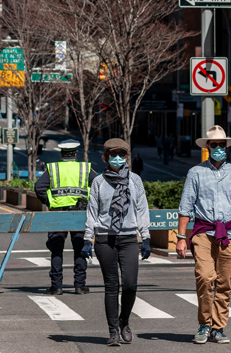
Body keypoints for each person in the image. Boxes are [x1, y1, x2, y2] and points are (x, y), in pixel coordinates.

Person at [176, 125, 231, 345]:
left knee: (224, 282)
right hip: (203, 232)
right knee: (204, 277)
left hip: (229, 233)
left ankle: (218, 327)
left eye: (223, 145)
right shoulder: (196, 173)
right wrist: (181, 237)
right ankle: (204, 324)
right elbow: (186, 207)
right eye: (215, 145)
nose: (220, 148)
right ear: (208, 146)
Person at [82, 138, 151, 346]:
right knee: (111, 286)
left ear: (127, 156)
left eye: (122, 154)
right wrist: (87, 238)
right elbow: (92, 212)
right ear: (106, 157)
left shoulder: (135, 181)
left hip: (129, 237)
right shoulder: (99, 182)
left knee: (130, 284)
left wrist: (145, 237)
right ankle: (113, 332)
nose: (118, 158)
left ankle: (124, 321)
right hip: (105, 238)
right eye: (114, 155)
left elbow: (142, 209)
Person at [34, 139, 97, 296]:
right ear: (75, 153)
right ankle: (80, 286)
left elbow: (39, 187)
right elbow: (98, 186)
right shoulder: (85, 168)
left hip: (58, 213)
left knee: (56, 250)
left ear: (62, 153)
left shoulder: (53, 168)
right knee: (80, 249)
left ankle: (57, 286)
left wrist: (50, 201)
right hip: (80, 214)